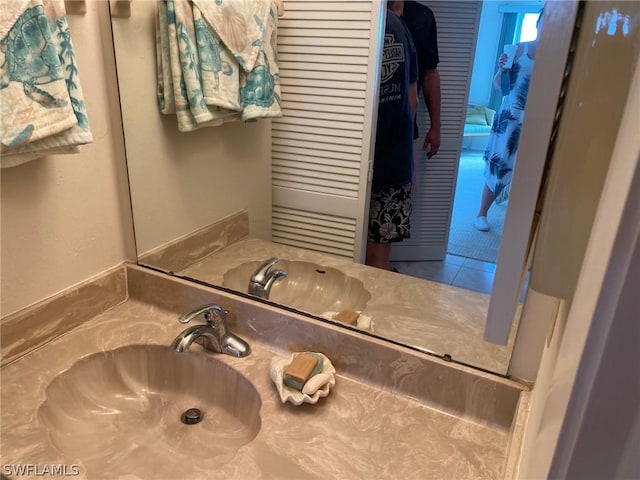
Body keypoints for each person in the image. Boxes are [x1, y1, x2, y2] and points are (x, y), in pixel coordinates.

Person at [474, 12, 542, 232]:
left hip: (539, 119)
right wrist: (503, 69)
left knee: (529, 169)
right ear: (539, 24)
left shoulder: (560, 58)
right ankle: (481, 213)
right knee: (499, 164)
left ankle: (517, 214)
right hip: (511, 117)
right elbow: (500, 88)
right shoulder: (519, 49)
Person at [365, 3, 418, 270]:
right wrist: (410, 168)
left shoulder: (351, 22)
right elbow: (411, 102)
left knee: (345, 242)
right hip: (394, 156)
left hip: (350, 160)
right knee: (379, 245)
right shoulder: (401, 28)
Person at [396, 0, 442, 160]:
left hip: (405, 127)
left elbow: (430, 75)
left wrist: (435, 127)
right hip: (362, 124)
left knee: (407, 182)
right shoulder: (361, 16)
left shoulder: (422, 18)